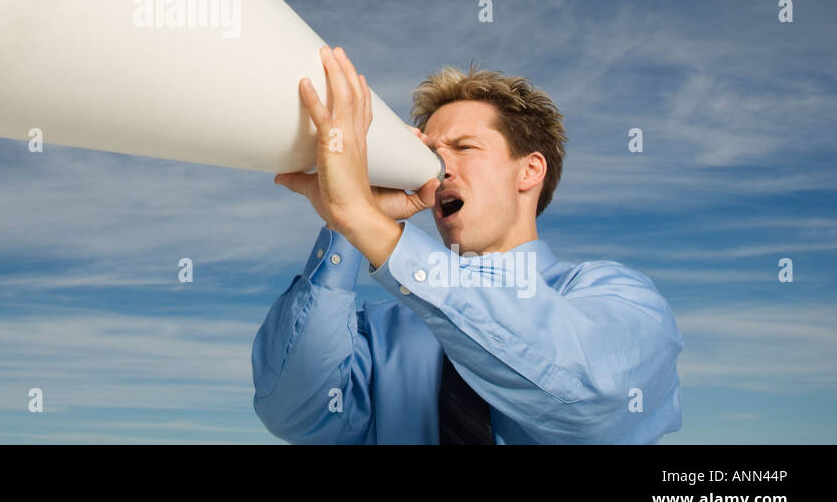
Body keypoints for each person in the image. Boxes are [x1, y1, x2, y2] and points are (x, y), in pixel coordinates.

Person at [251, 46, 683, 444]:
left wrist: (367, 221)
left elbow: (591, 397)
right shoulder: (381, 330)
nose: (439, 169)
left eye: (464, 148)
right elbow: (294, 412)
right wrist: (347, 222)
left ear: (530, 170)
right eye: (430, 155)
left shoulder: (617, 296)